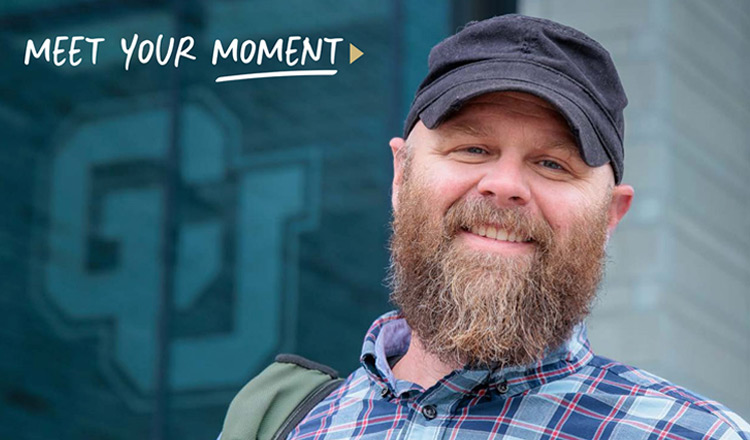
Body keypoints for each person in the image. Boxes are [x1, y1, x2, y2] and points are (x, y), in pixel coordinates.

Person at [227, 14, 750, 440]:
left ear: (610, 216)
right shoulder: (287, 426)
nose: (504, 185)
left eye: (552, 164)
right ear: (400, 175)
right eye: (472, 149)